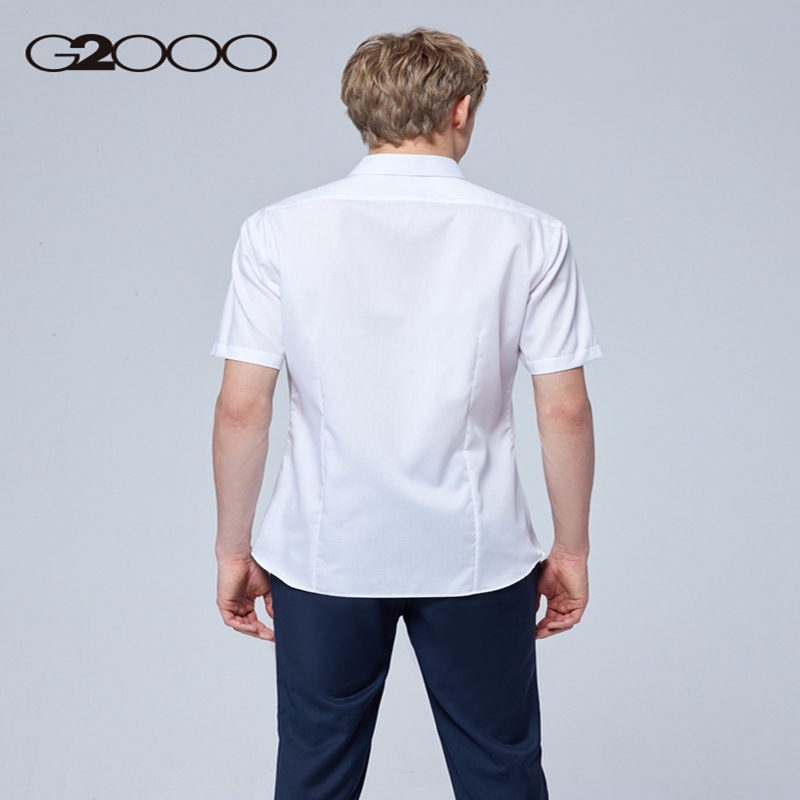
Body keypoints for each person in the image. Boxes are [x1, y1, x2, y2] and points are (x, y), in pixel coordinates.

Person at [210, 26, 602, 800]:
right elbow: (564, 412)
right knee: (500, 769)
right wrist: (573, 550)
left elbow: (242, 405)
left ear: (360, 112)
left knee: (314, 771)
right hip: (478, 552)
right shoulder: (531, 235)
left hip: (323, 552)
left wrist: (233, 548)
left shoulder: (276, 230)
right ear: (462, 110)